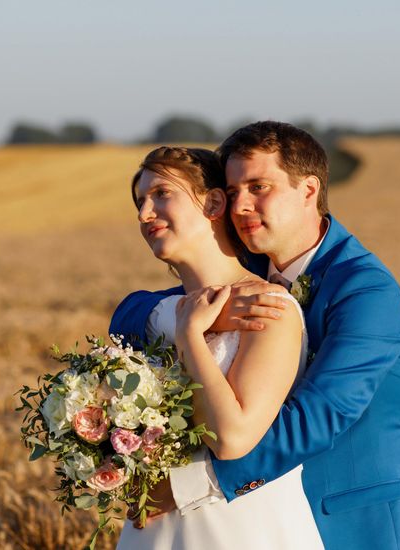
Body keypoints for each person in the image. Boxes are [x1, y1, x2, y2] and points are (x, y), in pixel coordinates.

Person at [110, 121, 400, 549]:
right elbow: (132, 316)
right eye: (234, 190)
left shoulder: (367, 290)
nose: (241, 204)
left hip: (350, 522)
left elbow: (315, 420)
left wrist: (186, 488)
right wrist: (204, 317)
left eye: (259, 187)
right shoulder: (248, 272)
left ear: (309, 191)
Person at [114, 145, 324, 549]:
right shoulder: (156, 315)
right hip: (154, 528)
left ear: (212, 202)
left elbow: (230, 438)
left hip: (242, 528)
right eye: (141, 202)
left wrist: (190, 336)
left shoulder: (269, 307)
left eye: (161, 194)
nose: (144, 214)